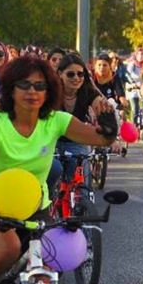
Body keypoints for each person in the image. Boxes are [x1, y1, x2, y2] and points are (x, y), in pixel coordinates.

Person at [0, 56, 116, 284]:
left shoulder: (55, 120)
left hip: (34, 206)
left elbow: (100, 138)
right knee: (9, 248)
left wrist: (108, 123)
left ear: (49, 91)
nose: (32, 92)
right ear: (11, 88)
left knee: (45, 280)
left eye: (40, 86)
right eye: (25, 85)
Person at [46, 53, 103, 192]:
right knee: (54, 170)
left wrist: (109, 136)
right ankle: (47, 202)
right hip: (52, 142)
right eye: (70, 74)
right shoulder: (49, 92)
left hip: (77, 143)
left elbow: (100, 111)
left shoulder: (88, 91)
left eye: (80, 74)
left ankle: (82, 209)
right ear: (60, 74)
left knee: (82, 187)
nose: (76, 78)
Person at [126, 48, 143, 125]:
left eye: (142, 54)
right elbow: (127, 75)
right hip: (133, 90)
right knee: (135, 109)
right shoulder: (132, 64)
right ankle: (133, 128)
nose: (140, 56)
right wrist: (133, 83)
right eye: (139, 54)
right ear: (136, 55)